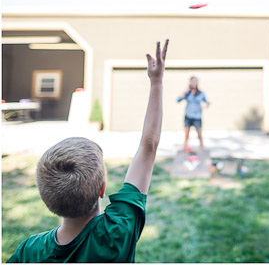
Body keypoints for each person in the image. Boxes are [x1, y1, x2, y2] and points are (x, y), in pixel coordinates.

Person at [9, 40, 168, 262]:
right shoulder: (116, 235)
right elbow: (148, 147)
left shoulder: (29, 252)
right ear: (102, 188)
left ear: (45, 197)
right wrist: (157, 83)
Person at [176, 76, 208, 152]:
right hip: (188, 116)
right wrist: (184, 95)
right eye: (192, 81)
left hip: (197, 117)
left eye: (195, 81)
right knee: (186, 135)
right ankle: (184, 148)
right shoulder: (187, 93)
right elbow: (178, 100)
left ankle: (202, 148)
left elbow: (207, 102)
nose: (193, 83)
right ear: (190, 82)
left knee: (199, 134)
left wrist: (205, 105)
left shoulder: (201, 93)